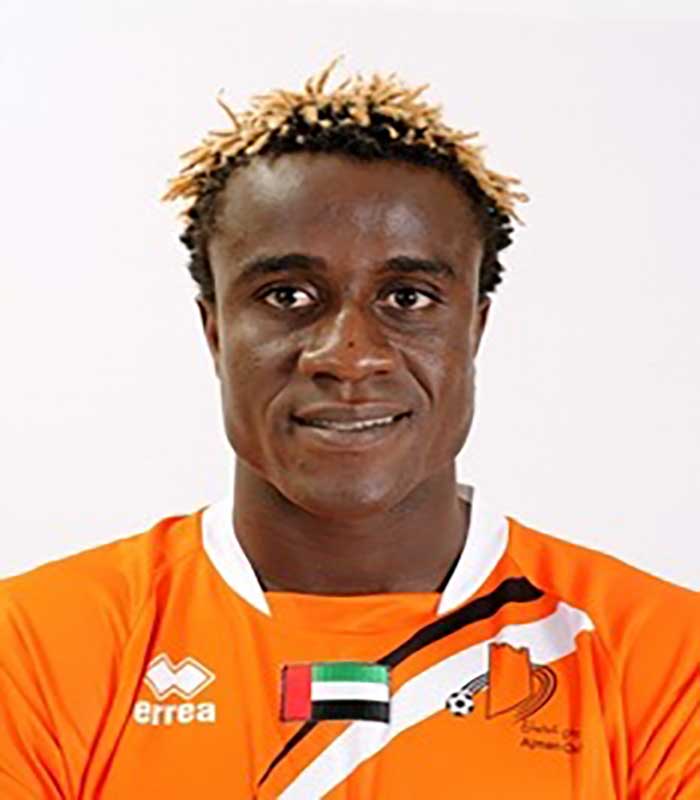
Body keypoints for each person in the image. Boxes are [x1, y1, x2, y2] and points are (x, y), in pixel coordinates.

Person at [0, 57, 697, 799]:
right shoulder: (34, 648)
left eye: (408, 297)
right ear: (215, 330)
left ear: (475, 328)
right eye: (288, 295)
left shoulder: (665, 660)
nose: (350, 355)